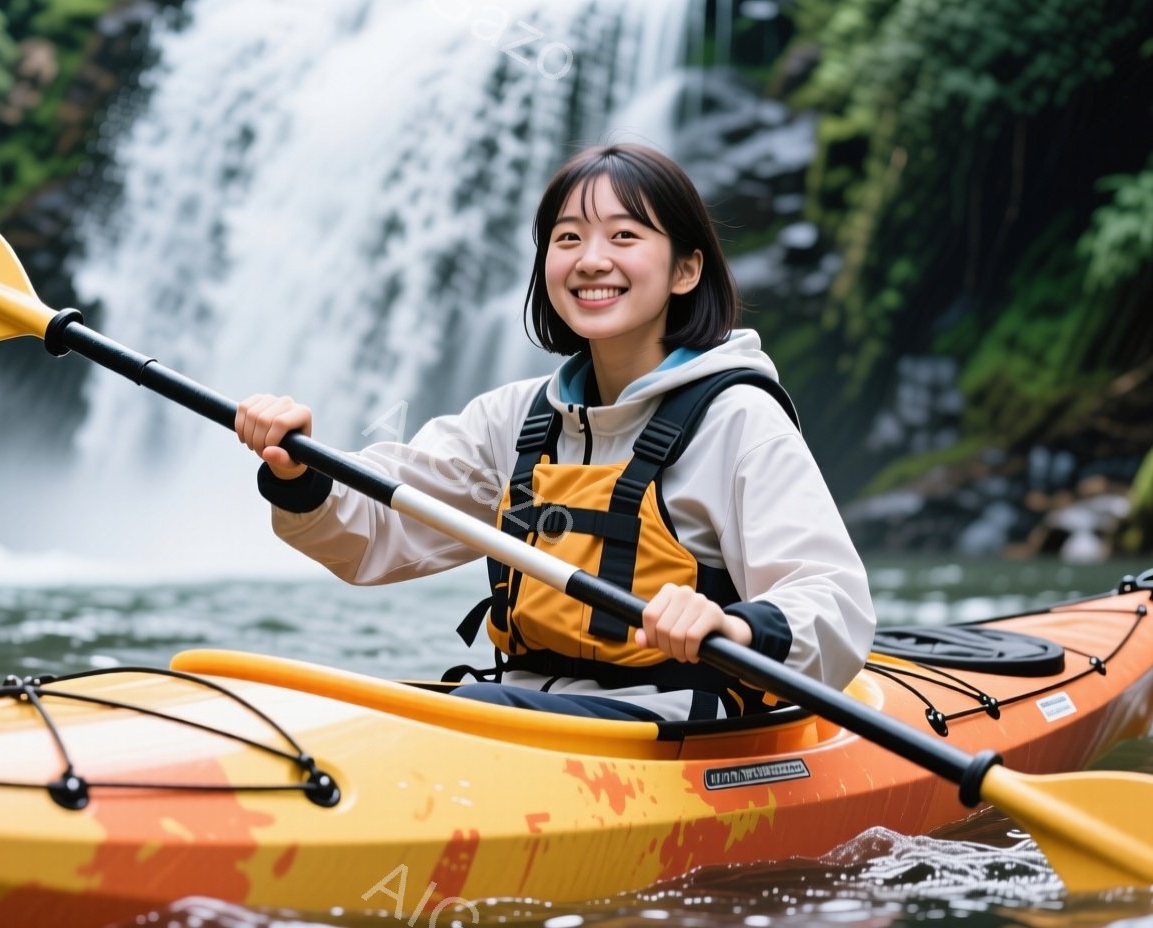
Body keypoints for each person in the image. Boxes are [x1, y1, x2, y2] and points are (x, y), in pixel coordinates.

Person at [235, 143, 874, 722]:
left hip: (678, 724)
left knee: (470, 710)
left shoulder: (736, 419)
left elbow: (834, 602)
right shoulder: (515, 419)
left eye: (624, 236)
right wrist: (301, 472)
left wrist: (733, 626)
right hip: (525, 710)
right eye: (567, 238)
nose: (591, 260)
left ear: (686, 270)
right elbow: (378, 526)